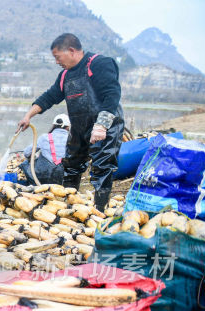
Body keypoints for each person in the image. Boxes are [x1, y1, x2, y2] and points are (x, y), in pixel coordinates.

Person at [17, 33, 123, 210]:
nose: (57, 62)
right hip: (79, 126)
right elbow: (49, 97)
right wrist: (28, 115)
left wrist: (102, 124)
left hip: (105, 125)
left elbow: (112, 94)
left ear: (72, 51)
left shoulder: (99, 64)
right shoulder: (65, 75)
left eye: (58, 57)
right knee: (71, 165)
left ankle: (99, 210)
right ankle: (68, 207)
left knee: (102, 167)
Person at [19, 113, 71, 185]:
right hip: (62, 176)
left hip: (42, 175)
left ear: (54, 125)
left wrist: (32, 157)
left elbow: (27, 152)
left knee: (25, 164)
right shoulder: (72, 139)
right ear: (68, 126)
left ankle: (34, 186)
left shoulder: (44, 137)